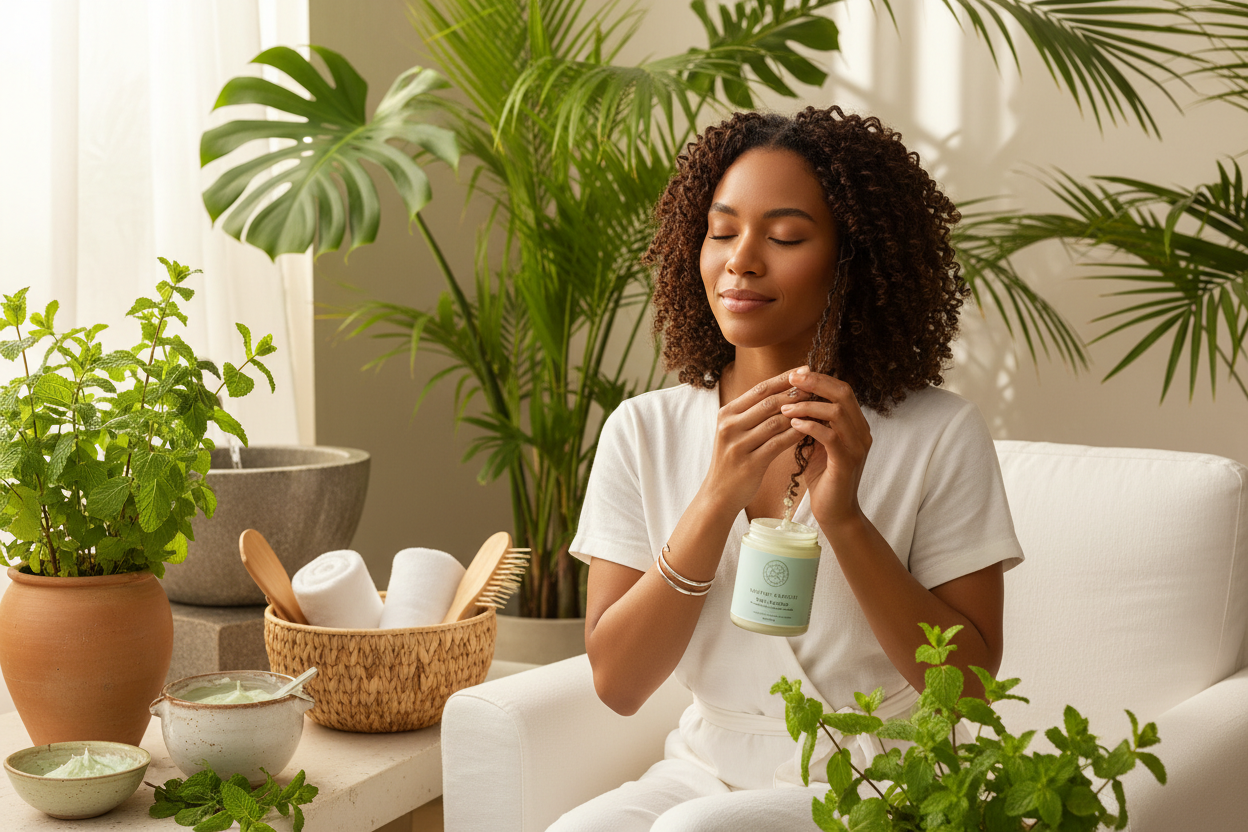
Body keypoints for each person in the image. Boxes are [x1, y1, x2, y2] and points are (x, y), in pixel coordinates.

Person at [551, 106, 1025, 831]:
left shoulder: (937, 433)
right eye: (721, 231)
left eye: (785, 236)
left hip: (876, 774)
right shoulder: (642, 430)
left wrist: (844, 519)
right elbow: (618, 683)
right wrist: (715, 500)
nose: (742, 259)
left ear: (852, 260)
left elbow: (965, 687)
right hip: (704, 771)